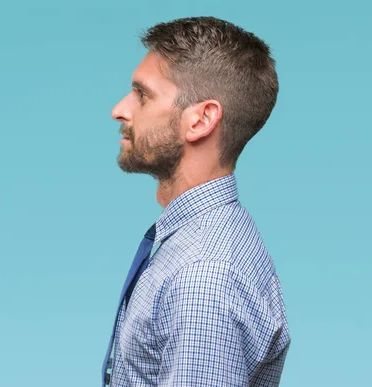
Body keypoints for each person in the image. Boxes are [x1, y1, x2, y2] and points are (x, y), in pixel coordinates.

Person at [102, 16, 290, 386]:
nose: (120, 109)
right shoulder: (199, 243)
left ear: (201, 120)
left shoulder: (203, 275)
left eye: (142, 94)